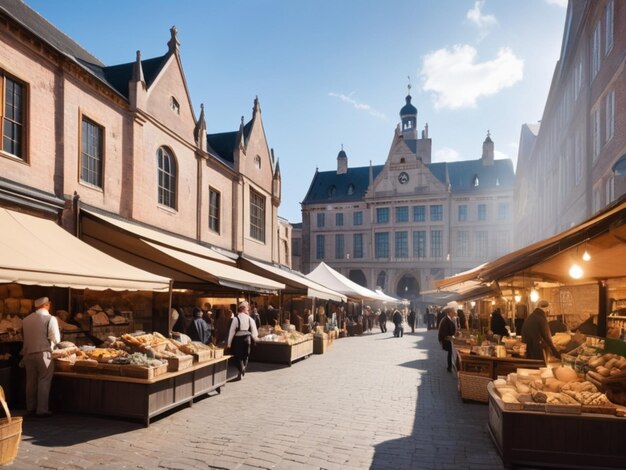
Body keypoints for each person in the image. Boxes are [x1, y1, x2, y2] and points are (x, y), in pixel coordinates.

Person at [21, 297, 60, 417]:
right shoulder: (50, 318)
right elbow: (56, 339)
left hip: (28, 353)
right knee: (44, 380)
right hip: (44, 353)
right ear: (47, 305)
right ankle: (42, 409)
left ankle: (30, 407)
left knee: (30, 382)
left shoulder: (26, 320)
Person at [227, 301, 259, 380]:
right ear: (244, 309)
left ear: (240, 309)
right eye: (247, 308)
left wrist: (229, 344)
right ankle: (241, 371)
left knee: (238, 356)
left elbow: (231, 332)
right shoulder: (249, 318)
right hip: (247, 339)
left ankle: (241, 370)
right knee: (246, 356)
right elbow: (255, 332)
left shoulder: (235, 319)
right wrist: (255, 338)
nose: (248, 310)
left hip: (238, 339)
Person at [438, 305, 457, 372]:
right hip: (446, 340)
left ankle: (450, 366)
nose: (454, 314)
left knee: (451, 352)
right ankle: (450, 367)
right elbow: (444, 333)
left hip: (447, 339)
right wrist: (451, 337)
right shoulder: (446, 320)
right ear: (449, 313)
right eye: (453, 312)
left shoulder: (449, 319)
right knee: (451, 352)